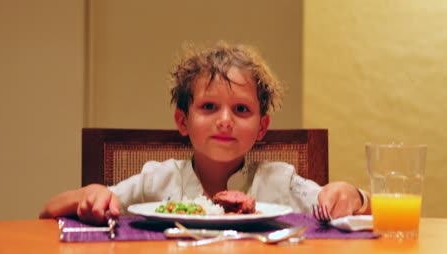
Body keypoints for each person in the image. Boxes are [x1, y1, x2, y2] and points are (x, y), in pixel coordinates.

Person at [40, 42, 371, 225]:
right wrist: (93, 193)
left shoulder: (281, 182)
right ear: (183, 122)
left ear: (262, 128)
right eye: (209, 107)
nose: (225, 120)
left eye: (241, 110)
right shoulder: (155, 181)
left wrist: (353, 195)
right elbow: (48, 211)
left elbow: (358, 210)